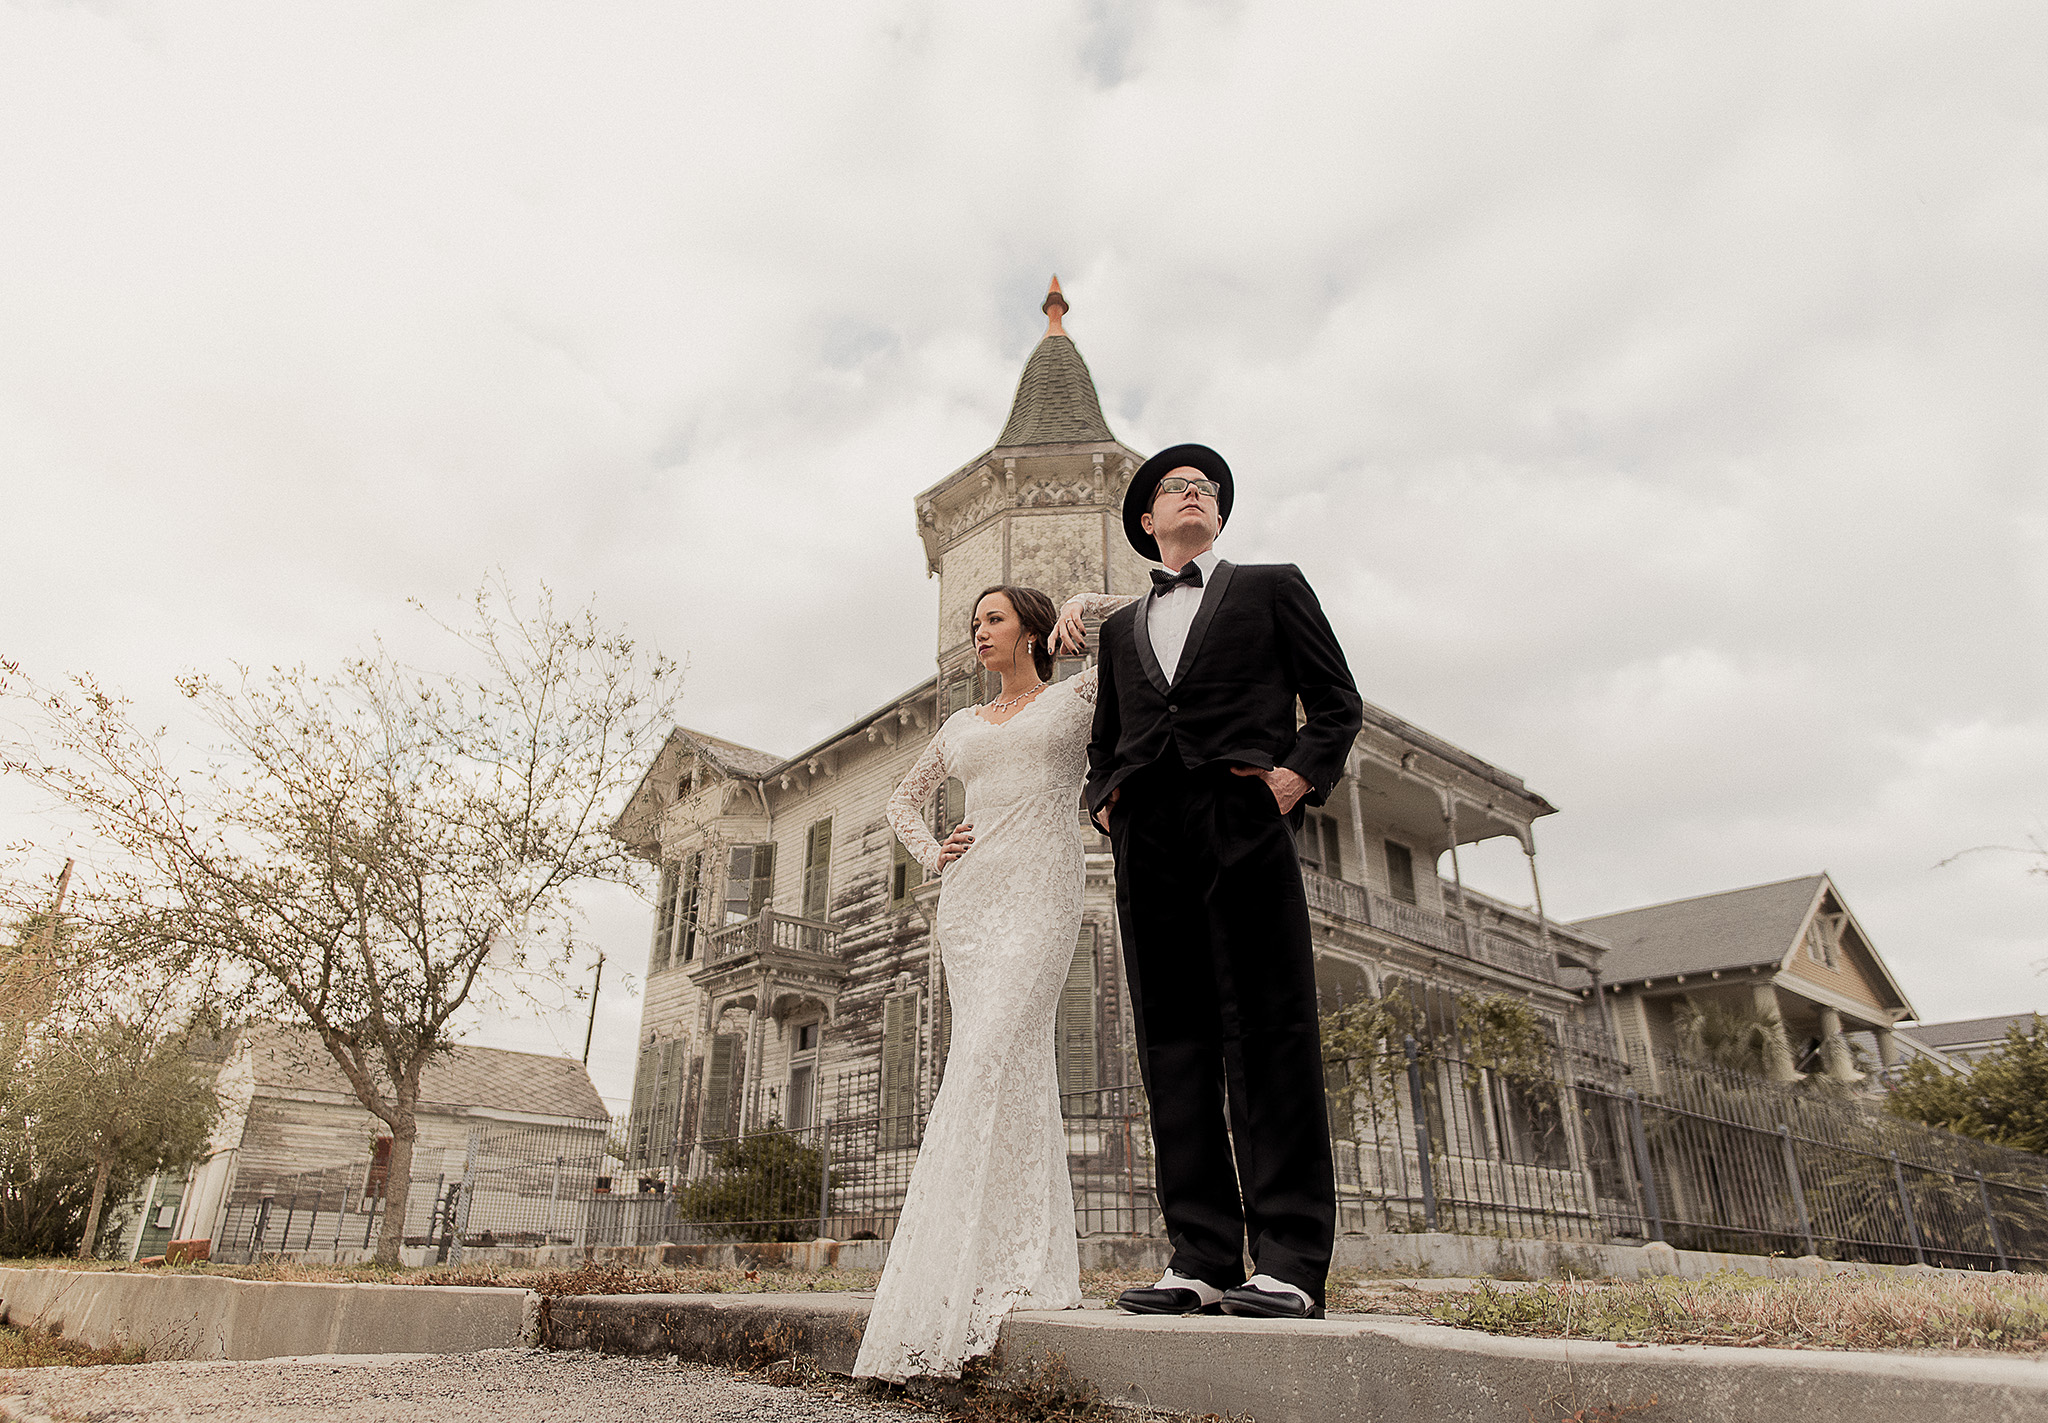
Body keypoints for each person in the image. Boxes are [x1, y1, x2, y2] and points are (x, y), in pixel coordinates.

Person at [1056, 443, 1363, 1322]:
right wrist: (1105, 802)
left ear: (1218, 515)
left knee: (1270, 1029)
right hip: (1147, 836)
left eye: (1207, 488)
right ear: (1147, 521)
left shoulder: (1272, 586)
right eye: (1174, 488)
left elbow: (1336, 702)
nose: (1194, 492)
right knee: (1173, 1041)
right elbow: (1105, 741)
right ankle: (1199, 1252)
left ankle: (1292, 1259)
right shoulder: (1120, 631)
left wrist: (1291, 780)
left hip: (1243, 816)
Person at [852, 582, 1127, 1382]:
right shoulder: (959, 724)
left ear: (1035, 632)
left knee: (992, 1054)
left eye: (994, 620)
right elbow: (902, 798)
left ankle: (953, 1262)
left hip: (1042, 892)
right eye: (974, 622)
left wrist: (1085, 599)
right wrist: (934, 850)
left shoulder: (1078, 696)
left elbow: (1147, 618)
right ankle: (1006, 1252)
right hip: (968, 907)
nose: (979, 632)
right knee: (1005, 1064)